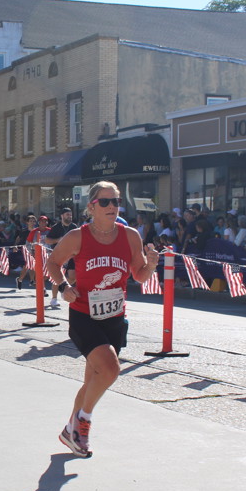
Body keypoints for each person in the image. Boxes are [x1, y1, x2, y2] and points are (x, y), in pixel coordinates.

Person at [46, 182, 159, 458]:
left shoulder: (130, 236)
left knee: (94, 380)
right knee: (110, 370)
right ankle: (83, 422)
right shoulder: (78, 236)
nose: (112, 207)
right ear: (91, 206)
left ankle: (70, 431)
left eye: (116, 201)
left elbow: (139, 275)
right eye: (105, 202)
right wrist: (64, 288)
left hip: (114, 317)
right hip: (84, 315)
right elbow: (52, 263)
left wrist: (152, 265)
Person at [46, 207, 78, 309]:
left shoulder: (74, 227)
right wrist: (58, 240)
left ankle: (63, 288)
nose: (69, 216)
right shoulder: (56, 227)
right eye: (67, 214)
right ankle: (54, 298)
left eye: (70, 215)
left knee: (73, 277)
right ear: (62, 216)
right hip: (59, 255)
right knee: (58, 277)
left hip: (72, 255)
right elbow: (47, 240)